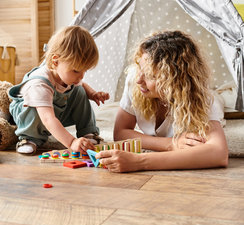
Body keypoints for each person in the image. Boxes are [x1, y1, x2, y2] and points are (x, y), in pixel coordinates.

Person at [97, 30, 228, 172]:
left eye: (150, 76)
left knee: (220, 100)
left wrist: (139, 162)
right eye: (140, 68)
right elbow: (121, 132)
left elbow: (219, 153)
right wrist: (171, 144)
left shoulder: (203, 100)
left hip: (208, 98)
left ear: (175, 80)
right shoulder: (135, 80)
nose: (139, 80)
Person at [9, 26, 109, 154]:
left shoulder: (67, 76)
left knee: (79, 91)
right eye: (77, 70)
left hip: (55, 109)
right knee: (35, 109)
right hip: (31, 116)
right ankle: (28, 138)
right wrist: (71, 142)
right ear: (55, 61)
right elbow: (47, 118)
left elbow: (81, 84)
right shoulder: (40, 83)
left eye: (85, 70)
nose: (82, 75)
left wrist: (92, 93)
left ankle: (88, 131)